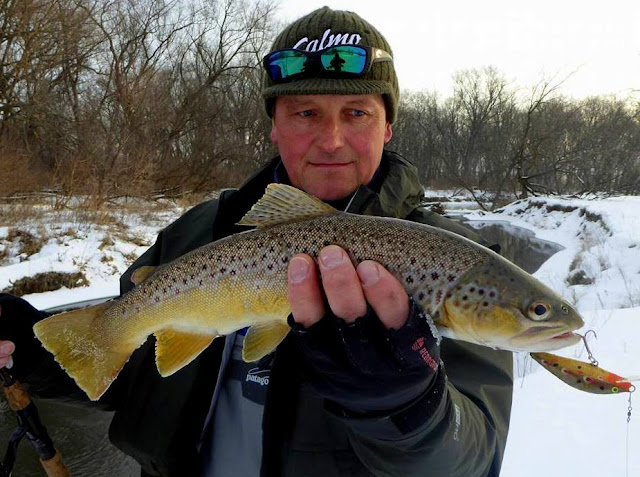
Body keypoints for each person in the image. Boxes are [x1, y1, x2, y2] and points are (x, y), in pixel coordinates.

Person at [0, 7, 513, 477]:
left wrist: (409, 408)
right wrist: (30, 351)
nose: (331, 139)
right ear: (274, 126)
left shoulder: (455, 264)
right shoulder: (199, 231)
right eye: (305, 113)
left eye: (357, 113)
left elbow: (474, 461)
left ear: (388, 126)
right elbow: (123, 370)